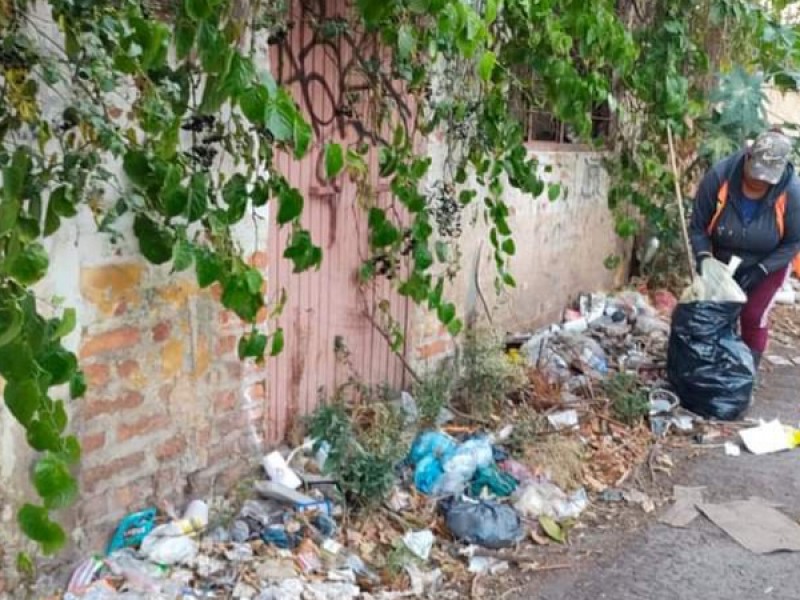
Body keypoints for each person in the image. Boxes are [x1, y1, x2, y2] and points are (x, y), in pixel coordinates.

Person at [690, 130, 800, 370]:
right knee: (718, 311)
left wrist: (762, 269)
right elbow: (698, 226)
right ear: (748, 157)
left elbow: (794, 242)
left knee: (752, 315)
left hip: (769, 263)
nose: (759, 182)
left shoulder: (792, 192)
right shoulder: (720, 177)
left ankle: (746, 372)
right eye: (755, 175)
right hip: (721, 260)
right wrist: (703, 258)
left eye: (766, 179)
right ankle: (716, 365)